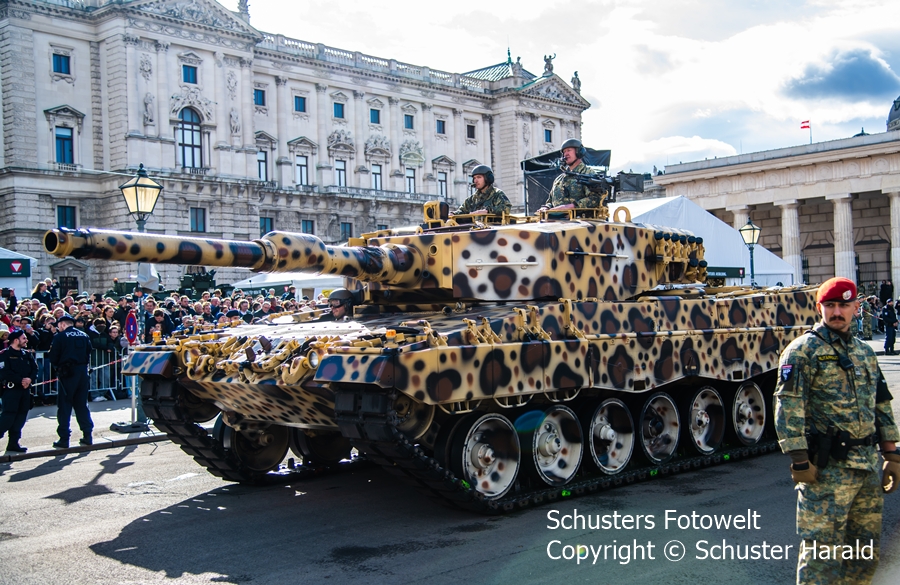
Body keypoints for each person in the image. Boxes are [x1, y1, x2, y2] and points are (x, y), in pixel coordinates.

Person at [774, 277, 900, 584]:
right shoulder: (803, 351)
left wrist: (891, 454)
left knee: (864, 556)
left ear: (856, 307)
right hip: (827, 472)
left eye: (844, 305)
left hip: (867, 469)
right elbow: (789, 405)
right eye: (830, 305)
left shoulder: (864, 353)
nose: (837, 312)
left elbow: (880, 403)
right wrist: (799, 459)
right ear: (819, 308)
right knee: (821, 560)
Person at [48, 314, 94, 448]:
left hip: (67, 373)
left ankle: (64, 438)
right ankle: (87, 435)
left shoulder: (60, 337)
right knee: (82, 404)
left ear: (63, 324)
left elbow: (53, 356)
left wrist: (58, 367)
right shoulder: (84, 335)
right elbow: (89, 352)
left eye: (58, 326)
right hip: (82, 372)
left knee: (65, 405)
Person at [537, 138, 606, 212]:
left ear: (579, 152)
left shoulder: (588, 174)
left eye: (569, 150)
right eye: (564, 152)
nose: (566, 154)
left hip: (582, 218)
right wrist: (546, 207)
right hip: (558, 219)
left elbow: (595, 199)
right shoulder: (559, 180)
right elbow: (551, 201)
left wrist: (572, 206)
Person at [0, 329, 37, 452]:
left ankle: (13, 443)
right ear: (16, 340)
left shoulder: (26, 354)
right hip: (11, 390)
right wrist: (21, 380)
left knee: (20, 417)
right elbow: (4, 372)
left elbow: (35, 369)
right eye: (24, 338)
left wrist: (29, 379)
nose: (26, 340)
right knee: (8, 417)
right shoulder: (4, 354)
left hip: (25, 391)